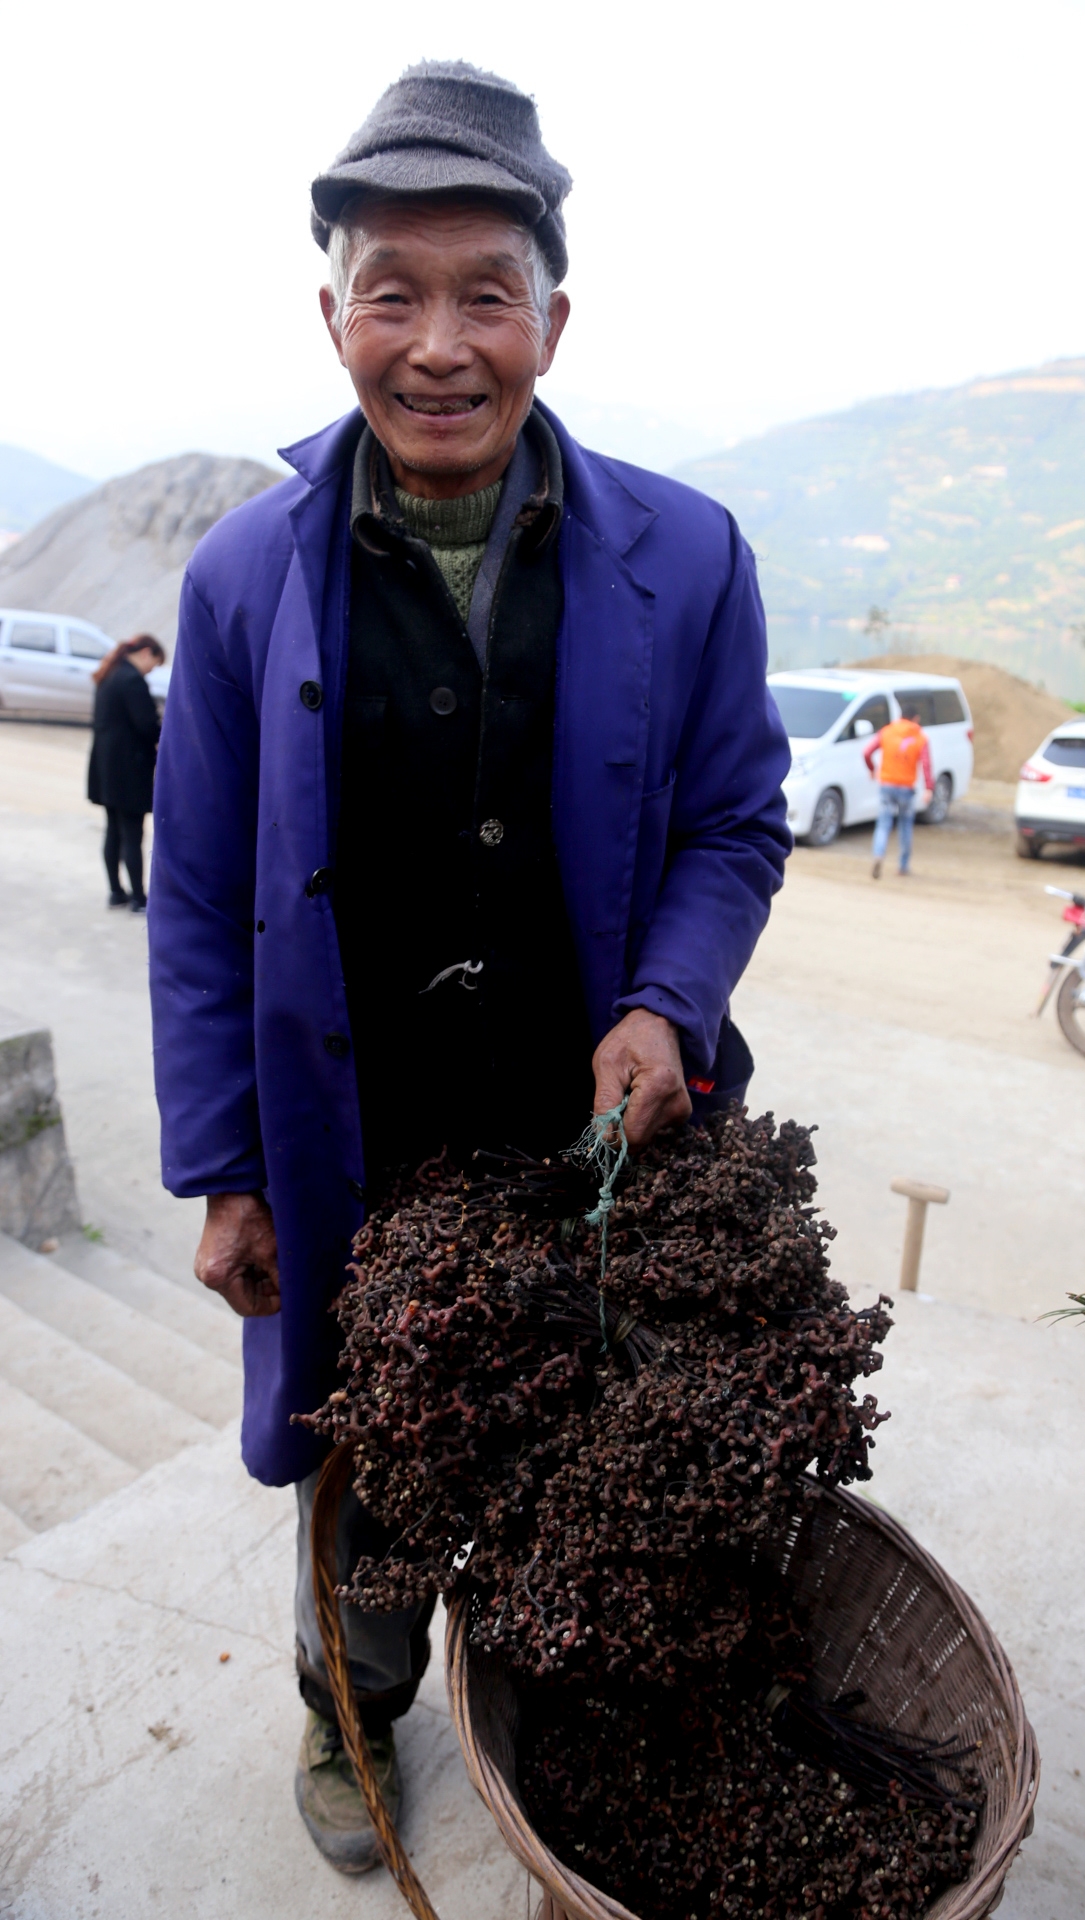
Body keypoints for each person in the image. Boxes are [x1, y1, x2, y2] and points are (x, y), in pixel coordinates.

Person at [147, 60, 791, 1876]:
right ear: (330, 312)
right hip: (352, 1134)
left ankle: (549, 1701)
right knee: (369, 1464)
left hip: (595, 1129)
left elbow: (738, 824)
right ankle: (348, 1716)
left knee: (580, 1451)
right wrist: (225, 1168)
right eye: (392, 292)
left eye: (484, 294)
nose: (440, 345)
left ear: (554, 318)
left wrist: (666, 1003)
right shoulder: (241, 575)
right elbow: (199, 897)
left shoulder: (688, 553)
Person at [87, 634, 165, 912]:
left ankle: (116, 892)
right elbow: (147, 725)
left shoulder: (109, 673)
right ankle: (138, 898)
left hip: (106, 766)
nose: (150, 671)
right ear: (146, 652)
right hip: (129, 768)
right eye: (154, 665)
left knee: (113, 830)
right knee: (132, 833)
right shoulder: (131, 680)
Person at [863, 699, 933, 879]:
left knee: (883, 825)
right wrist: (929, 788)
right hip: (906, 788)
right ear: (916, 719)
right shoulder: (920, 737)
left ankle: (878, 855)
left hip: (886, 785)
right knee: (905, 826)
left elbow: (867, 752)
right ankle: (902, 866)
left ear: (901, 716)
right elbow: (926, 764)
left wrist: (872, 769)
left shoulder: (886, 732)